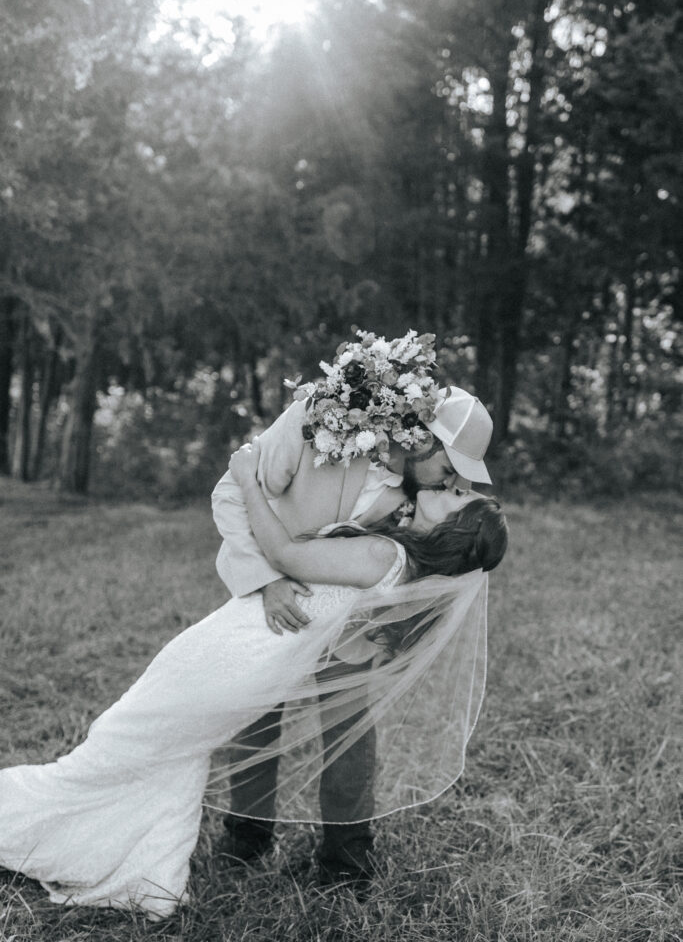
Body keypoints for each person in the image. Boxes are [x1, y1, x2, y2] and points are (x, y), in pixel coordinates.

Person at [0, 443, 507, 920]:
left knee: (109, 747)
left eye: (460, 496)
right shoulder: (400, 555)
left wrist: (245, 476)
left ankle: (24, 825)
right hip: (239, 661)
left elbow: (286, 556)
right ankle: (145, 873)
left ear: (455, 531)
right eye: (456, 483)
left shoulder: (384, 557)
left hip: (227, 661)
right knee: (167, 756)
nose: (454, 485)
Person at [211, 381, 496, 885]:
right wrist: (266, 581)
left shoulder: (419, 494)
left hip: (346, 624)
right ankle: (247, 835)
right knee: (255, 715)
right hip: (275, 599)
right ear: (420, 439)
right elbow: (233, 491)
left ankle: (347, 859)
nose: (451, 483)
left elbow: (449, 546)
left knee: (349, 729)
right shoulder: (313, 420)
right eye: (450, 470)